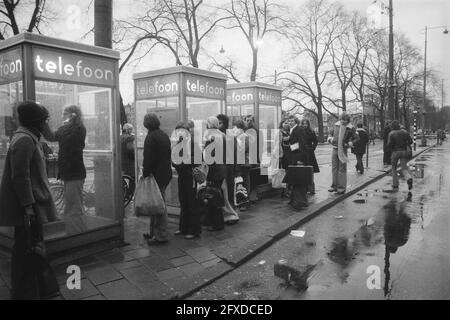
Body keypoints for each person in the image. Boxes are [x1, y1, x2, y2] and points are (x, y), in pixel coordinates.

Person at [0, 101, 58, 299]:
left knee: (28, 246)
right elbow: (20, 177)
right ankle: (24, 290)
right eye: (43, 121)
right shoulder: (24, 140)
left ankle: (28, 287)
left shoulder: (27, 137)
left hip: (30, 203)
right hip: (29, 205)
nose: (45, 125)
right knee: (26, 247)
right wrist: (28, 207)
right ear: (36, 122)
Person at [43, 105, 87, 235]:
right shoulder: (66, 128)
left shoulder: (78, 129)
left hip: (74, 172)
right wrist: (44, 123)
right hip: (68, 173)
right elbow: (51, 136)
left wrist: (69, 123)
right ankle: (74, 232)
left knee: (74, 206)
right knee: (71, 204)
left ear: (73, 115)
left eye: (65, 113)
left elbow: (68, 140)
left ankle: (77, 233)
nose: (62, 116)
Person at [142, 113, 172, 244]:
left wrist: (145, 173)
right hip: (165, 173)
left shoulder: (151, 137)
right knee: (156, 203)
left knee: (159, 205)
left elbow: (148, 159)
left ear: (147, 124)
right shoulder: (163, 135)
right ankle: (153, 233)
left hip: (156, 175)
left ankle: (161, 235)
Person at [172, 121, 201, 239]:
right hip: (182, 175)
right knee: (183, 202)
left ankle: (194, 230)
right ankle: (183, 227)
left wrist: (184, 161)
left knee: (191, 202)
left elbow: (199, 158)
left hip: (190, 176)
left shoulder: (192, 143)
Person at [203, 116, 227, 231]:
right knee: (217, 194)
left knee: (212, 195)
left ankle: (216, 223)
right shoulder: (222, 135)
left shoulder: (210, 136)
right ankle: (218, 222)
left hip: (213, 169)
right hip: (221, 167)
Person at [327, 112, 359, 194]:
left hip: (343, 150)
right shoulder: (336, 125)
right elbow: (330, 133)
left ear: (347, 120)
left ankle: (341, 188)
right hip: (334, 149)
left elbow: (357, 138)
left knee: (342, 169)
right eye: (341, 119)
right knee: (334, 169)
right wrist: (330, 138)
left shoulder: (351, 128)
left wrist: (350, 143)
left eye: (344, 120)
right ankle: (334, 186)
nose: (342, 121)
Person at [217, 114, 239, 224]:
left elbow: (235, 153)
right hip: (221, 168)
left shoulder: (230, 137)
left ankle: (232, 215)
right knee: (222, 193)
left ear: (225, 124)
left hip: (228, 168)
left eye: (220, 123)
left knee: (229, 192)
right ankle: (226, 214)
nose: (218, 125)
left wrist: (235, 168)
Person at [287, 115, 309, 210]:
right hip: (294, 157)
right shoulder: (294, 130)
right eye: (289, 121)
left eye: (292, 121)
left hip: (297, 157)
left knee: (298, 179)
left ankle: (299, 201)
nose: (291, 122)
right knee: (295, 179)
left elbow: (302, 144)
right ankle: (294, 199)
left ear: (296, 122)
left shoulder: (299, 130)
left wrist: (300, 159)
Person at [387, 120, 413, 190]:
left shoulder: (391, 133)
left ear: (392, 126)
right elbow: (411, 141)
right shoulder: (405, 132)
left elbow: (389, 145)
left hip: (395, 152)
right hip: (404, 151)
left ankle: (395, 184)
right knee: (404, 167)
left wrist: (391, 150)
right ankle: (409, 178)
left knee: (394, 168)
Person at [232, 119, 251, 211]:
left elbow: (242, 150)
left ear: (240, 128)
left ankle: (245, 202)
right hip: (240, 163)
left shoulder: (244, 137)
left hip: (243, 164)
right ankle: (242, 201)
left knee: (244, 184)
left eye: (235, 128)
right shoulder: (240, 137)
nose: (234, 130)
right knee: (241, 183)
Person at [300, 119, 319, 194]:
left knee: (311, 171)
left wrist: (312, 148)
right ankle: (305, 188)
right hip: (302, 153)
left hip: (310, 153)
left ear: (308, 124)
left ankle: (311, 189)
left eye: (306, 124)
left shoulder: (311, 131)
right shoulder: (300, 131)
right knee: (304, 171)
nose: (305, 125)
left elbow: (316, 141)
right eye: (303, 123)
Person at [279, 119, 291, 198]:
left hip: (289, 153)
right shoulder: (280, 132)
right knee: (284, 172)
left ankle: (287, 190)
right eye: (285, 123)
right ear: (282, 124)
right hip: (284, 153)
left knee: (288, 171)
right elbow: (279, 141)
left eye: (288, 123)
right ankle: (284, 191)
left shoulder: (288, 132)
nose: (286, 124)